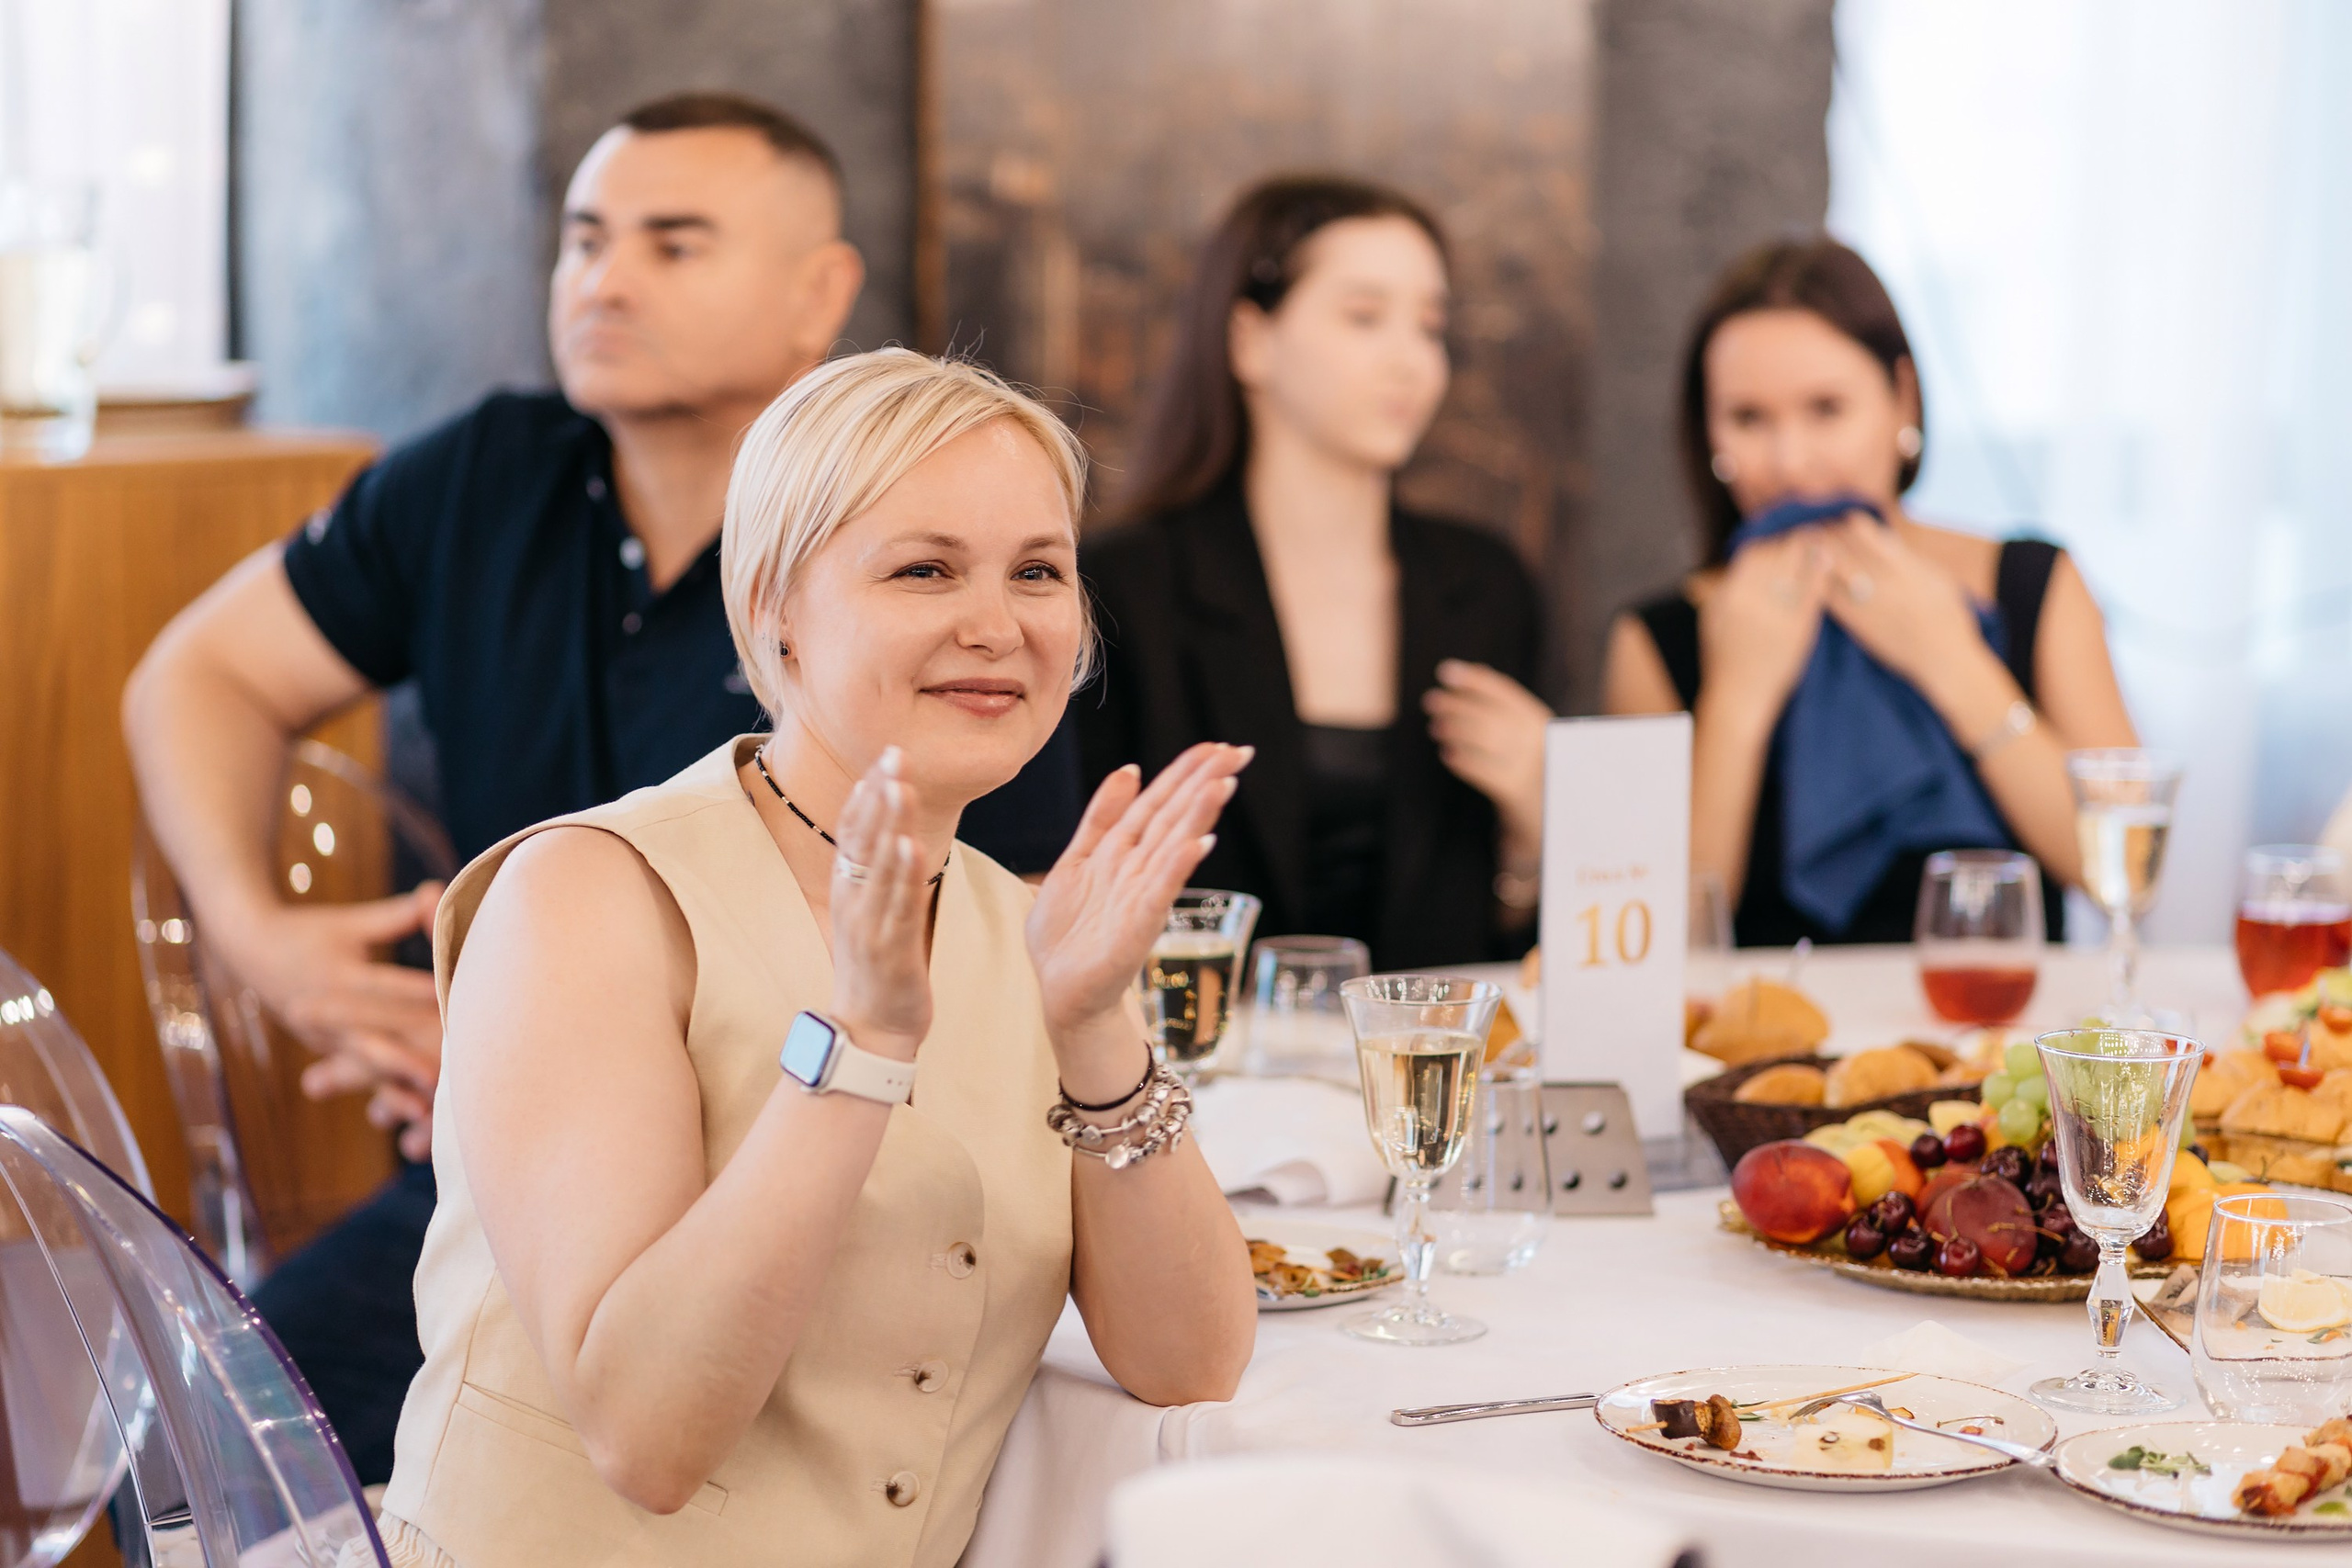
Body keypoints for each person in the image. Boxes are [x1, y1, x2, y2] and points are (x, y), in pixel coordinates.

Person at [120, 93, 1081, 1483]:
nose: (604, 280)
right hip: (509, 1180)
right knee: (202, 1442)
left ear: (821, 293)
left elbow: (997, 963)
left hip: (823, 1184)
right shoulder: (488, 476)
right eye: (584, 240)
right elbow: (197, 676)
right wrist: (259, 935)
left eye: (672, 244)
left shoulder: (923, 574)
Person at [375, 348, 1255, 1567]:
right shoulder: (586, 894)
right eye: (925, 568)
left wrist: (1097, 1023)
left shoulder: (1031, 928)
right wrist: (865, 1041)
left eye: (1038, 572)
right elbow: (646, 1434)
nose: (997, 624)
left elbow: (1190, 1362)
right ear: (774, 605)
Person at [1600, 238, 2138, 945]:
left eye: (1826, 408)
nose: (1792, 463)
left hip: (2010, 1042)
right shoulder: (1661, 637)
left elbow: (2124, 869)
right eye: (1749, 418)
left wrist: (1953, 661)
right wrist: (1737, 700)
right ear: (1708, 433)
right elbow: (1655, 945)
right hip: (1763, 1048)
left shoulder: (2031, 584)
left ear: (1901, 400)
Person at [1080, 175, 1550, 968]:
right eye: (1365, 318)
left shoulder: (1487, 587)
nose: (1412, 361)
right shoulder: (1126, 589)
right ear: (1250, 339)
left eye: (1431, 326)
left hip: (1427, 1071)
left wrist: (1539, 825)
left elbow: (1513, 934)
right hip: (1196, 1073)